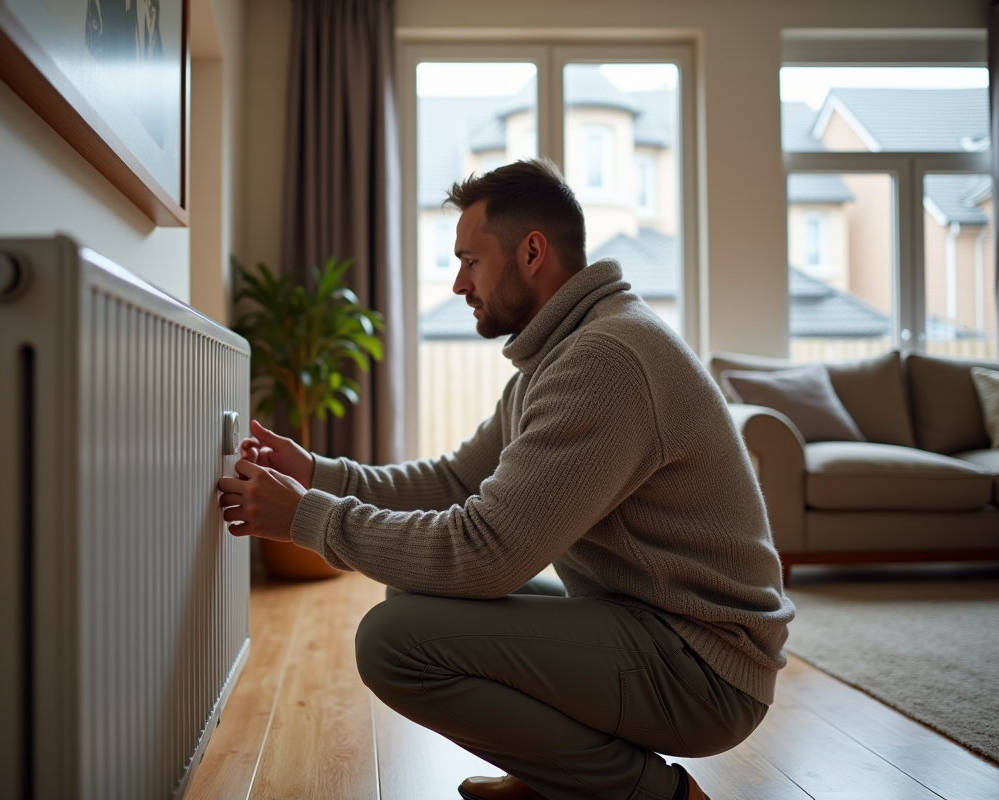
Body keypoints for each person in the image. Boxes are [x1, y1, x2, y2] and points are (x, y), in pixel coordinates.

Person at [219, 158, 795, 800]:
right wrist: (319, 474)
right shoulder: (561, 355)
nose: (460, 283)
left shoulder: (606, 362)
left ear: (530, 252)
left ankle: (652, 796)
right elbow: (459, 479)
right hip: (648, 624)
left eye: (470, 260)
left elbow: (485, 554)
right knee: (412, 602)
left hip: (704, 667)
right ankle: (557, 777)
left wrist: (308, 517)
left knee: (394, 640)